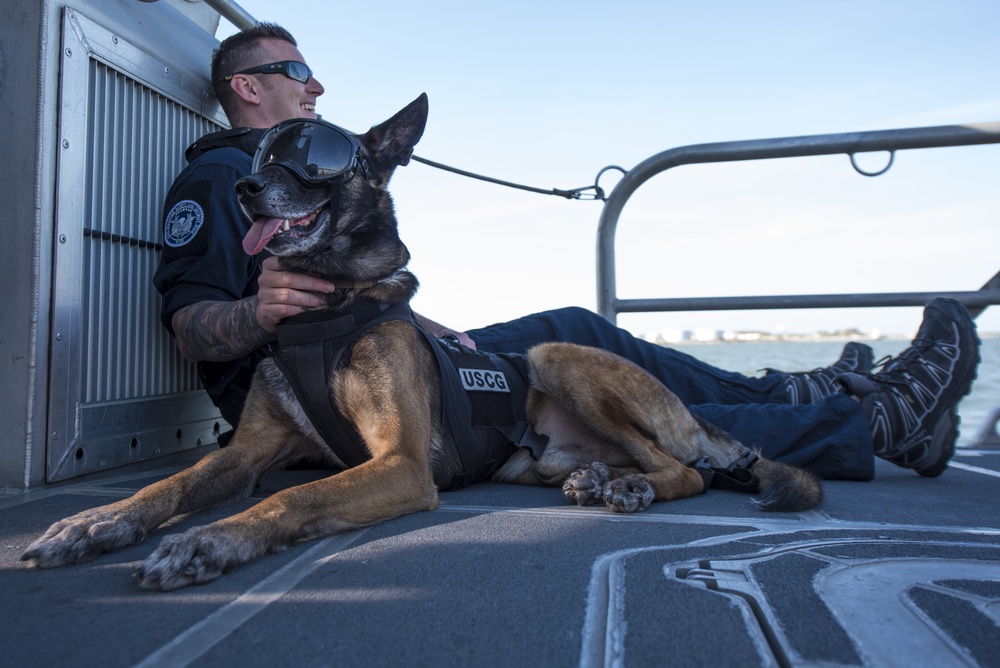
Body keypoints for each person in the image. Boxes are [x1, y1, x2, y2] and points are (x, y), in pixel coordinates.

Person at [153, 23, 981, 482]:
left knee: (583, 332)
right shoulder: (225, 178)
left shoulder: (307, 172)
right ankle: (867, 419)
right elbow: (193, 324)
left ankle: (809, 389)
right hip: (309, 398)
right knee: (583, 400)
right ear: (247, 88)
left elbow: (345, 298)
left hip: (376, 350)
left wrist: (430, 330)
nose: (316, 84)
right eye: (294, 67)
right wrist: (257, 311)